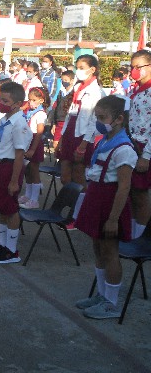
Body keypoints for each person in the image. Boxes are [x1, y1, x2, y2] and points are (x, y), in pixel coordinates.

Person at [75, 95, 137, 319]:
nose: (99, 122)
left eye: (103, 118)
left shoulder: (124, 149)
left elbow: (124, 187)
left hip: (110, 202)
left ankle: (111, 302)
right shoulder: (104, 141)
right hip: (96, 197)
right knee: (97, 247)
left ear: (119, 119)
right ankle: (102, 294)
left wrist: (113, 219)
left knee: (110, 251)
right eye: (97, 117)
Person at [0, 81, 32, 264]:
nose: (0, 103)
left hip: (9, 167)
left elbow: (19, 155)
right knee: (1, 207)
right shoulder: (5, 120)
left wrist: (14, 181)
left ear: (18, 104)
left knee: (10, 209)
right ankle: (2, 244)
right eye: (0, 99)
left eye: (5, 101)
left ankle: (11, 250)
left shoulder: (19, 124)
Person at [56, 54, 105, 187]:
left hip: (83, 135)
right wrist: (62, 137)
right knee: (64, 174)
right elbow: (70, 113)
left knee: (78, 174)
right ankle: (68, 197)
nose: (78, 71)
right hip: (70, 130)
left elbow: (93, 120)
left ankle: (80, 200)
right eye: (77, 68)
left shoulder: (96, 91)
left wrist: (83, 145)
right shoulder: (77, 87)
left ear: (92, 69)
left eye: (82, 68)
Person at [128, 50, 151, 239]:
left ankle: (141, 236)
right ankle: (133, 231)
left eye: (139, 66)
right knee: (132, 192)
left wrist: (146, 155)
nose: (135, 70)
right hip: (132, 145)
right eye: (132, 67)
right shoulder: (136, 90)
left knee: (141, 193)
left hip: (145, 148)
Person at [19, 87, 50, 209]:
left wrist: (32, 149)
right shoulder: (29, 112)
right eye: (29, 100)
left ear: (41, 100)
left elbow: (39, 133)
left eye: (34, 100)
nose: (30, 103)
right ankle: (28, 195)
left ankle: (34, 199)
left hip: (34, 144)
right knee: (27, 171)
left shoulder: (41, 114)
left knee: (34, 171)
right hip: (26, 142)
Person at [50, 70, 75, 150]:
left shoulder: (74, 93)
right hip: (59, 121)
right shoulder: (61, 92)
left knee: (61, 144)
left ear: (72, 81)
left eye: (66, 80)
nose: (64, 82)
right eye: (62, 80)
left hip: (66, 121)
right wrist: (54, 123)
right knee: (56, 144)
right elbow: (56, 108)